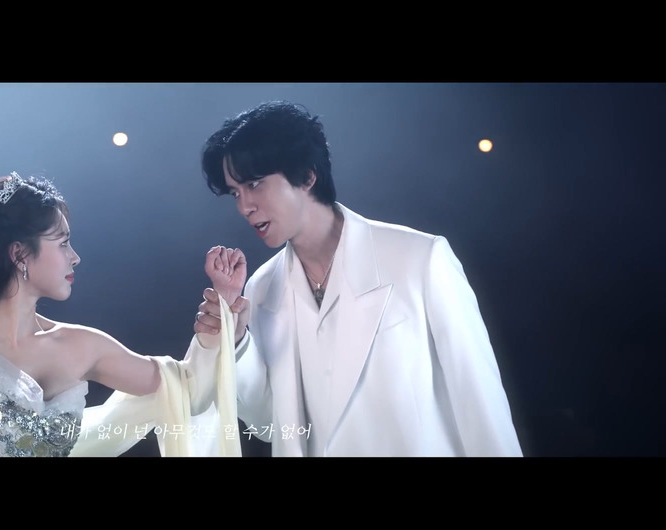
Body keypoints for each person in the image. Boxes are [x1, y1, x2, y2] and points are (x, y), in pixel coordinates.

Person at [191, 100, 523, 457]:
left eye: (255, 184)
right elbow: (270, 425)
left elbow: (480, 404)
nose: (244, 206)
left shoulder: (420, 259)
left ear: (307, 175)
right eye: (236, 193)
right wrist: (237, 339)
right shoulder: (260, 287)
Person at [0, 172, 240, 458]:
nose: (75, 257)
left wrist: (220, 315)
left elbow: (185, 391)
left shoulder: (84, 346)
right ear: (19, 254)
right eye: (63, 243)